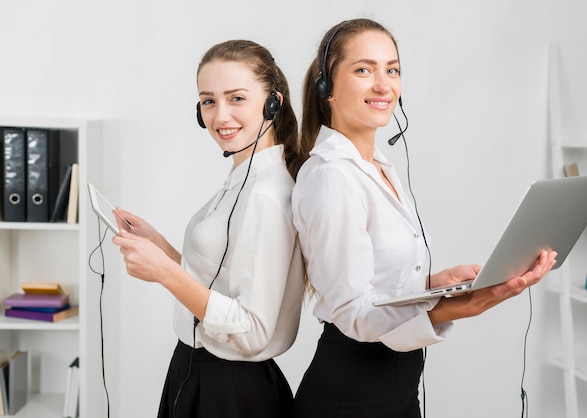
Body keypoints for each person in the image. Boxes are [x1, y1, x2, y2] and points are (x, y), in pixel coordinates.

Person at [291, 18, 558, 418]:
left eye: (392, 69)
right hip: (351, 393)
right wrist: (457, 307)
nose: (384, 85)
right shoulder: (331, 175)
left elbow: (375, 283)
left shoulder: (379, 166)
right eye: (364, 69)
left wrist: (433, 286)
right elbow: (354, 315)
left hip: (397, 386)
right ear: (326, 88)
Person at [111, 39, 304, 418]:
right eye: (209, 101)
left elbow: (251, 330)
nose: (220, 116)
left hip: (228, 389)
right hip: (195, 372)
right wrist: (162, 248)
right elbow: (221, 283)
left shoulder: (267, 193)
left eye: (236, 98)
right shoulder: (241, 179)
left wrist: (165, 273)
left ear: (272, 103)